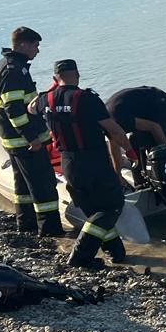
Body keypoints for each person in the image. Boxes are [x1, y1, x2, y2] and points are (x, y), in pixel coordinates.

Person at [32, 59, 134, 268]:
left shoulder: (45, 99)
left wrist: (51, 90)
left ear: (55, 78)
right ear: (77, 75)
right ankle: (80, 256)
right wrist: (131, 152)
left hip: (68, 162)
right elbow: (114, 130)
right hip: (93, 161)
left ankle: (115, 251)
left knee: (93, 209)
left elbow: (31, 108)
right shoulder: (86, 99)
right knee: (112, 206)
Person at [0, 26, 62, 237]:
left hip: (11, 139)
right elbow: (15, 110)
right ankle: (50, 231)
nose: (37, 51)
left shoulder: (3, 65)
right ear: (22, 44)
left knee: (22, 186)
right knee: (43, 185)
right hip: (24, 141)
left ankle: (26, 224)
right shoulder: (13, 72)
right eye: (35, 45)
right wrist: (31, 137)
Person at [106, 85, 166, 180]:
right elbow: (114, 148)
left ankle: (164, 176)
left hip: (159, 102)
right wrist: (117, 175)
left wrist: (165, 153)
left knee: (153, 147)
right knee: (134, 144)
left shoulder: (121, 120)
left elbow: (154, 127)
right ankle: (140, 182)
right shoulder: (105, 123)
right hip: (138, 110)